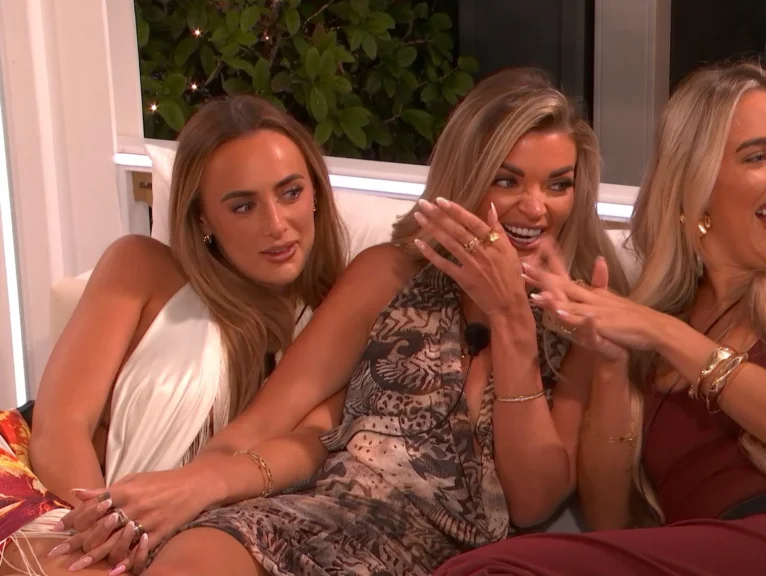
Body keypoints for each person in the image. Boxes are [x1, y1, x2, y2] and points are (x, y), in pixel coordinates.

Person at [54, 67, 629, 576]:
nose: (535, 206)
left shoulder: (576, 319)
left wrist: (512, 320)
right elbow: (269, 422)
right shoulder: (389, 273)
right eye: (508, 180)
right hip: (309, 515)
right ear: (467, 178)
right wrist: (193, 488)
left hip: (444, 555)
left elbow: (533, 502)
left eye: (558, 184)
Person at [434, 62, 766, 575]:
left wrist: (664, 332)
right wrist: (610, 363)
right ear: (696, 183)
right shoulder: (646, 325)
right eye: (758, 156)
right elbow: (611, 522)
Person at [0, 94, 348, 574]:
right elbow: (61, 426)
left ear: (316, 193)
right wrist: (107, 526)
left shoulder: (340, 319)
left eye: (290, 193)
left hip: (209, 540)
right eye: (243, 206)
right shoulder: (140, 267)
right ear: (203, 218)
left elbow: (314, 445)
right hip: (58, 497)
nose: (276, 224)